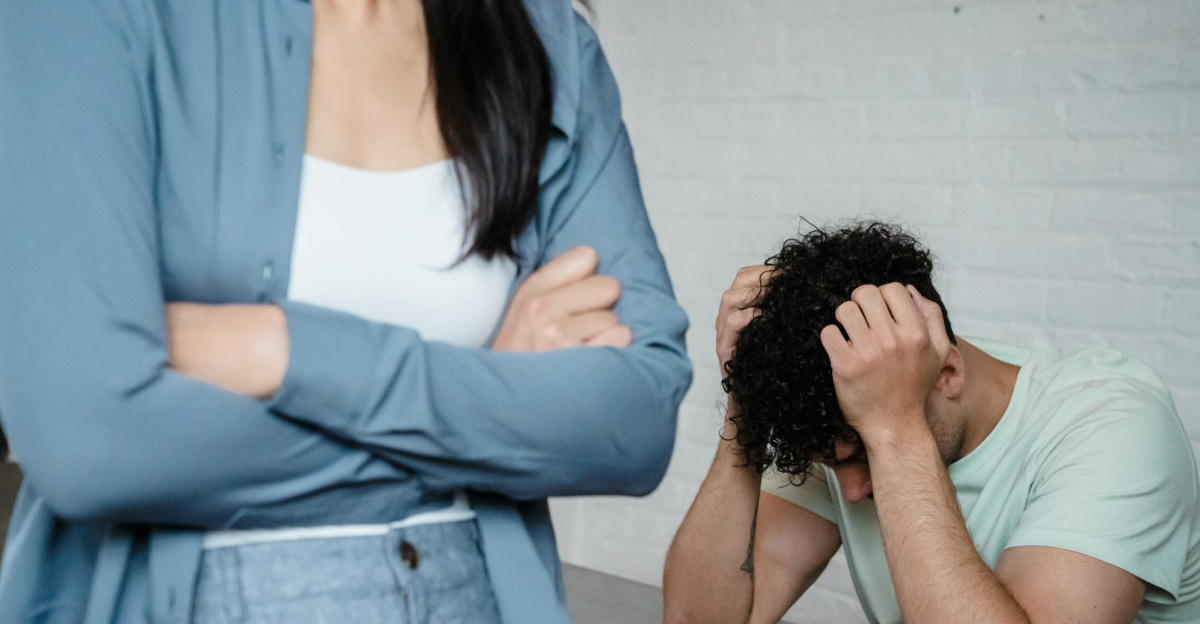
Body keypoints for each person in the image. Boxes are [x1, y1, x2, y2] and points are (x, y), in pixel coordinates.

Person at [0, 1, 692, 623]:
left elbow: (634, 422)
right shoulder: (88, 15)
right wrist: (482, 398)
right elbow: (90, 441)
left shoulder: (548, 39)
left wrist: (286, 349)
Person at [663, 222, 1199, 624]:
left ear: (946, 372)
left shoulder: (1113, 423)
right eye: (834, 463)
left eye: (860, 455)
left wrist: (892, 431)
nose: (849, 492)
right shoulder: (843, 414)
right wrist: (747, 408)